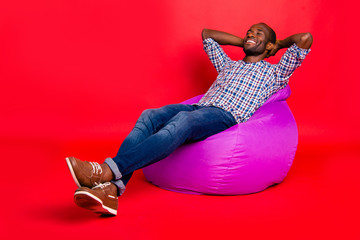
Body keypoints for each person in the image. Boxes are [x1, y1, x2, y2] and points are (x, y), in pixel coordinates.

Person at [66, 22, 313, 216]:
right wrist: (247, 42)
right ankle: (113, 190)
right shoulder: (228, 65)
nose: (251, 33)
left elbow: (305, 39)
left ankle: (106, 171)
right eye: (249, 30)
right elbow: (208, 34)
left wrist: (275, 44)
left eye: (259, 33)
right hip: (200, 106)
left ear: (269, 47)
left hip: (225, 115)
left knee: (182, 121)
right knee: (149, 116)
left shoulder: (275, 72)